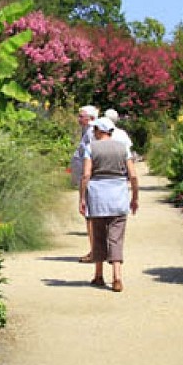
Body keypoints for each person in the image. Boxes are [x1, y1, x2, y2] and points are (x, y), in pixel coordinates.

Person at [79, 117, 139, 292]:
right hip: (118, 195)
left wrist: (82, 198)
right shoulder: (123, 148)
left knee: (98, 235)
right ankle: (117, 277)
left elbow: (86, 175)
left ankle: (98, 275)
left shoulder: (91, 148)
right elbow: (133, 175)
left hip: (97, 196)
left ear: (98, 130)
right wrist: (134, 197)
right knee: (116, 237)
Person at [71, 105, 99, 262]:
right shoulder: (87, 132)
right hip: (87, 179)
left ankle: (95, 251)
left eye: (82, 116)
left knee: (90, 216)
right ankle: (95, 250)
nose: (79, 119)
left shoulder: (91, 133)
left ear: (91, 119)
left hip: (90, 180)